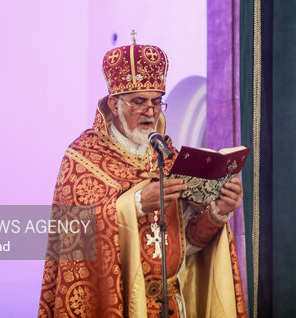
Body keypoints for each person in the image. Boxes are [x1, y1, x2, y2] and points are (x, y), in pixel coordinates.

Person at [38, 41, 247, 317]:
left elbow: (188, 247)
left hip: (173, 305)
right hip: (120, 303)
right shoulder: (82, 158)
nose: (150, 111)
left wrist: (218, 213)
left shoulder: (168, 157)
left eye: (156, 101)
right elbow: (75, 237)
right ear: (114, 104)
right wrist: (135, 204)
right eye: (139, 102)